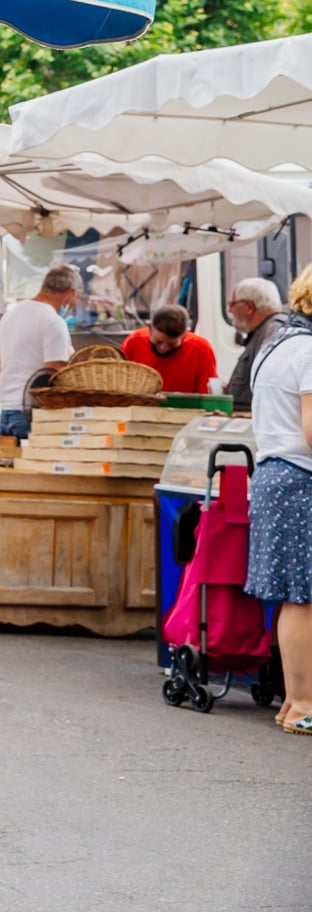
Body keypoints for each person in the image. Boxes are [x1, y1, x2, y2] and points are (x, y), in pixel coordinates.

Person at [243, 265, 312, 735]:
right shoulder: (309, 351)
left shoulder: (276, 344)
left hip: (274, 474)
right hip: (300, 478)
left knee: (295, 597)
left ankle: (293, 702)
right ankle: (304, 705)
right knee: (303, 597)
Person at [0, 264, 79, 441]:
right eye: (76, 297)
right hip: (33, 414)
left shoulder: (10, 315)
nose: (74, 303)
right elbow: (55, 373)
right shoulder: (53, 322)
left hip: (6, 412)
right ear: (69, 292)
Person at [121, 304, 218, 395]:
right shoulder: (134, 342)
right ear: (149, 327)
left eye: (172, 344)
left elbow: (207, 394)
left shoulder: (201, 349)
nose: (163, 348)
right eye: (158, 341)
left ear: (184, 335)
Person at [226, 279, 286, 413]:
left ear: (249, 307)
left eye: (232, 304)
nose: (229, 310)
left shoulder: (272, 332)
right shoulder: (264, 331)